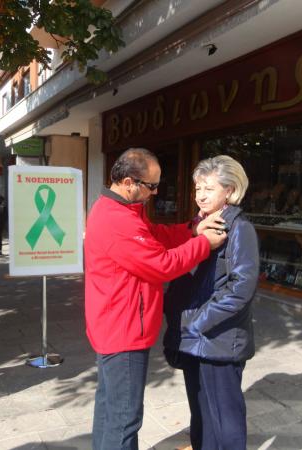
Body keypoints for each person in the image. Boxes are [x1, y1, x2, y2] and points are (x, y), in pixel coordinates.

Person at [84, 148, 227, 450]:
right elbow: (161, 264)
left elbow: (155, 236)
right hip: (123, 332)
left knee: (110, 410)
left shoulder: (123, 211)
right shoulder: (116, 219)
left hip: (115, 325)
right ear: (128, 182)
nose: (156, 191)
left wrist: (190, 229)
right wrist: (203, 243)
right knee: (124, 418)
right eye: (151, 185)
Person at [163, 155, 259, 450]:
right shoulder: (197, 224)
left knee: (225, 418)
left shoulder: (240, 228)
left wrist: (198, 321)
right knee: (201, 412)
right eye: (197, 189)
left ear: (229, 191)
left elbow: (241, 288)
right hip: (192, 336)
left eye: (208, 189)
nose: (200, 196)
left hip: (219, 338)